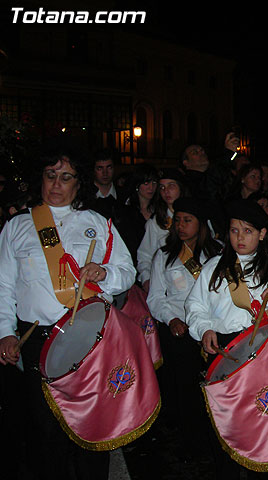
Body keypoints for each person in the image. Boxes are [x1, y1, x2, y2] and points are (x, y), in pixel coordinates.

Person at [0, 150, 135, 480]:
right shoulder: (18, 226)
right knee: (45, 433)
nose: (56, 184)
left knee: (91, 429)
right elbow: (2, 284)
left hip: (90, 342)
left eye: (65, 177)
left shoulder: (97, 223)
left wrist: (104, 273)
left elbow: (127, 271)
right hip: (38, 339)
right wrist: (5, 331)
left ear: (80, 183)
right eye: (50, 175)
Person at [184, 198, 268, 477]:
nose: (240, 237)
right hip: (227, 349)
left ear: (262, 234)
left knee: (263, 417)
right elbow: (195, 306)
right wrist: (205, 329)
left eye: (248, 231)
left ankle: (264, 467)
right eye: (235, 230)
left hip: (266, 353)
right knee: (228, 421)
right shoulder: (214, 266)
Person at [147, 196, 221, 459]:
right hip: (181, 330)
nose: (180, 226)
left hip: (214, 331)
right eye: (177, 220)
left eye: (187, 220)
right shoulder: (165, 256)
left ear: (200, 224)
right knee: (186, 389)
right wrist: (171, 319)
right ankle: (193, 443)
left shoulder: (218, 253)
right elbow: (155, 297)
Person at [136, 168, 184, 291]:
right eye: (162, 187)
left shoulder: (198, 217)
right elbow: (145, 256)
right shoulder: (156, 222)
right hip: (168, 285)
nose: (166, 191)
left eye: (171, 186)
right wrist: (146, 280)